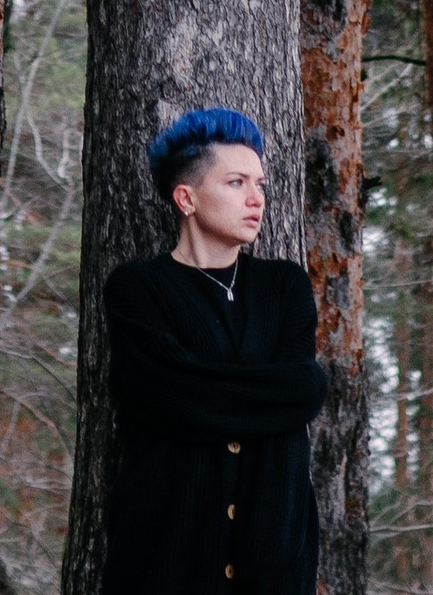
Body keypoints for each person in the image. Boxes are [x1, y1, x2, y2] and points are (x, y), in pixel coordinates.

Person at [99, 107, 326, 595]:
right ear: (187, 198)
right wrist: (269, 396)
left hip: (275, 567)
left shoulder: (284, 286)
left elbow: (305, 389)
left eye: (260, 184)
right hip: (165, 563)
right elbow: (165, 397)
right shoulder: (138, 289)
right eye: (236, 182)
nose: (256, 198)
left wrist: (203, 393)